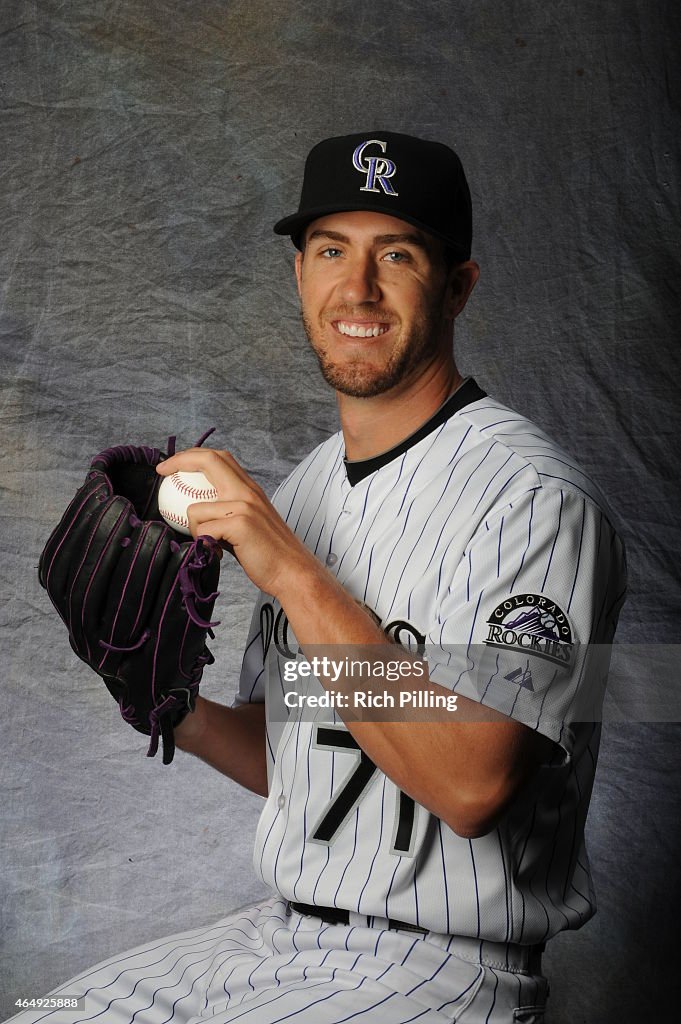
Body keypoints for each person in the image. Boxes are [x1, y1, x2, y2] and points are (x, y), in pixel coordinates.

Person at [11, 131, 626, 1024]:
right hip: (277, 939)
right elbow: (302, 758)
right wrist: (169, 709)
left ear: (457, 286)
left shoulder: (531, 502)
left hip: (443, 967)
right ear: (299, 275)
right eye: (332, 250)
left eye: (398, 254)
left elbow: (469, 786)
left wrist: (291, 567)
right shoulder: (302, 492)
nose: (358, 288)